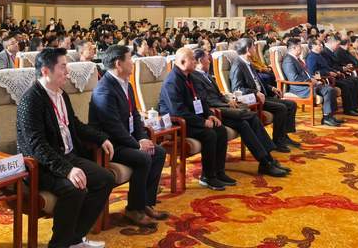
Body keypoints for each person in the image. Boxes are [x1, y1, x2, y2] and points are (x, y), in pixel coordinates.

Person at [16, 48, 114, 248]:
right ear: (45, 71)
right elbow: (36, 146)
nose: (67, 72)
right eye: (63, 67)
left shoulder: (61, 94)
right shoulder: (31, 100)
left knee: (106, 179)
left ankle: (75, 239)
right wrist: (68, 170)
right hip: (41, 166)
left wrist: (101, 138)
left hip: (67, 156)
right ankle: (59, 244)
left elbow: (74, 124)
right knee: (75, 189)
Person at [89, 45, 168, 227]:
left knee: (159, 152)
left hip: (127, 140)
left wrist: (142, 138)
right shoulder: (104, 89)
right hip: (110, 144)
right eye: (129, 59)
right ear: (119, 64)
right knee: (143, 157)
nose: (133, 62)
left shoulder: (127, 84)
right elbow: (113, 127)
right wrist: (137, 145)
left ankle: (146, 203)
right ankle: (134, 209)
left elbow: (135, 116)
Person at [192, 49, 289, 177]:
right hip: (216, 112)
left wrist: (228, 99)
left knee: (245, 123)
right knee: (250, 116)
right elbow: (207, 100)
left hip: (223, 107)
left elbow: (218, 94)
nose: (210, 61)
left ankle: (267, 160)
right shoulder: (195, 77)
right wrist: (227, 104)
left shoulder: (206, 75)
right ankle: (266, 161)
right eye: (207, 59)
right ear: (200, 61)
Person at [158, 47, 235, 191]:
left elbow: (201, 99)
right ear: (182, 62)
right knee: (209, 134)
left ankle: (219, 172)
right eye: (192, 59)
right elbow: (178, 111)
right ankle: (207, 177)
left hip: (192, 118)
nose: (195, 62)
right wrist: (202, 122)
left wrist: (209, 115)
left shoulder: (191, 76)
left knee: (220, 129)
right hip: (177, 123)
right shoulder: (172, 81)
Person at [229, 38, 299, 152]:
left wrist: (271, 88)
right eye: (253, 47)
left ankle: (284, 136)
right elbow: (237, 89)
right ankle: (278, 140)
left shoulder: (248, 63)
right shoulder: (238, 65)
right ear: (247, 49)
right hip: (253, 100)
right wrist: (255, 92)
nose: (255, 49)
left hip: (262, 96)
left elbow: (258, 82)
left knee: (291, 104)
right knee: (281, 108)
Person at [282, 38, 342, 127]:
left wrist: (313, 79)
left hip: (308, 84)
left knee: (330, 89)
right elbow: (293, 79)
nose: (301, 48)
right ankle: (326, 118)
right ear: (294, 48)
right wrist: (310, 81)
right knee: (328, 90)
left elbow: (306, 73)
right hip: (300, 88)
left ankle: (329, 116)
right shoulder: (288, 60)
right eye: (300, 46)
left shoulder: (296, 59)